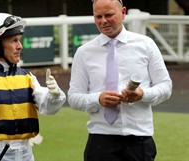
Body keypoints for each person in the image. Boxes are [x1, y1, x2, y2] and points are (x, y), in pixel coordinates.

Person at [68, 0, 172, 161]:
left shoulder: (146, 44)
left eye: (109, 15)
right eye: (98, 16)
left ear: (123, 13)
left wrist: (142, 94)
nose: (103, 21)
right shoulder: (84, 52)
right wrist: (98, 99)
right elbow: (74, 97)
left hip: (139, 138)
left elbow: (165, 86)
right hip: (100, 139)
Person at [0, 13, 66, 161]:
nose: (20, 46)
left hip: (26, 153)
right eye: (14, 40)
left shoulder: (27, 76)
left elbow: (48, 107)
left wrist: (54, 95)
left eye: (19, 40)